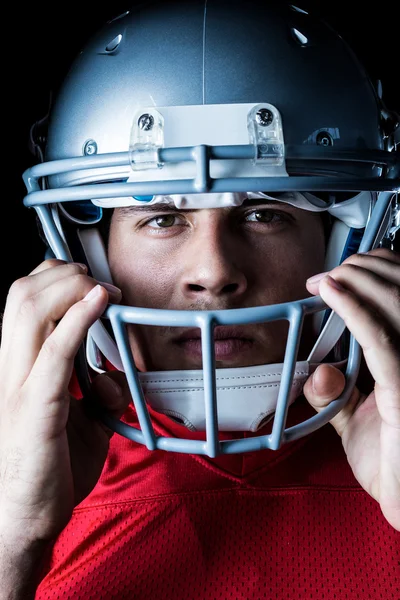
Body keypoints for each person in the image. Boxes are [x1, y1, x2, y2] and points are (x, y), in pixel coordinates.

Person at [1, 1, 399, 598]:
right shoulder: (35, 487)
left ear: (339, 245)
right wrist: (16, 539)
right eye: (161, 217)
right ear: (91, 253)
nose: (213, 274)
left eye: (265, 213)